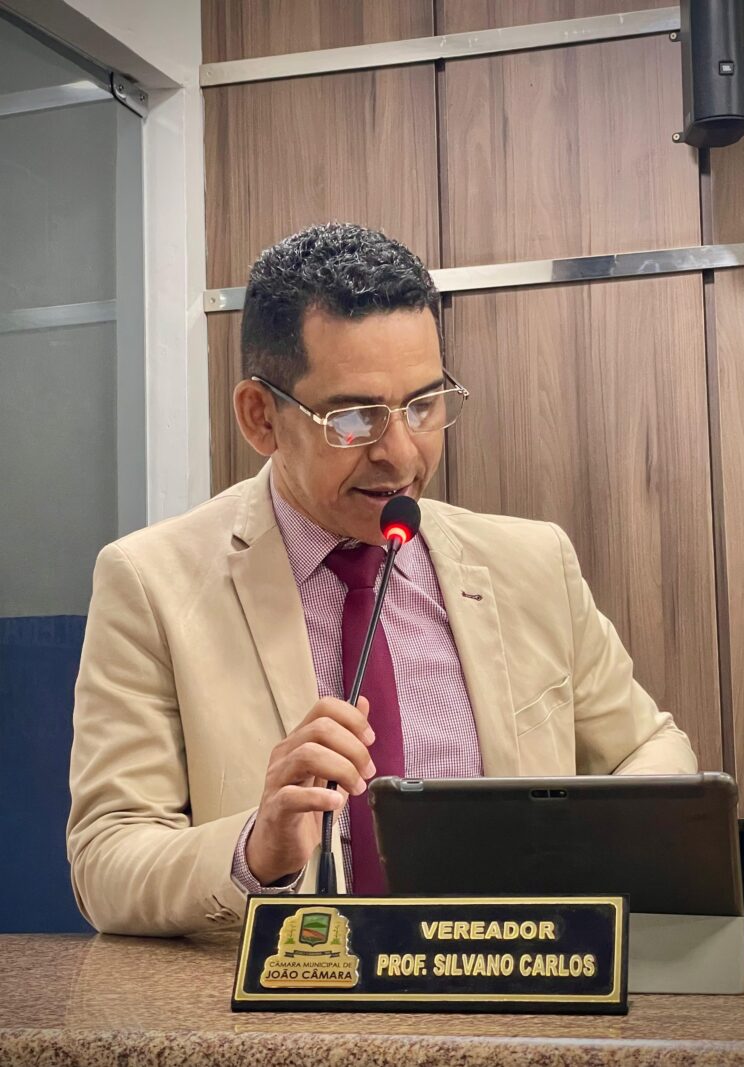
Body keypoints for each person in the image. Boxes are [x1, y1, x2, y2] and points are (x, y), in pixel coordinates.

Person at [67, 223, 696, 936]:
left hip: (512, 982)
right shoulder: (151, 584)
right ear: (260, 417)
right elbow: (107, 858)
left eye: (423, 405)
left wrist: (584, 845)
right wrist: (253, 848)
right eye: (354, 417)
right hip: (293, 996)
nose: (400, 454)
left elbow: (652, 749)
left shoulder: (532, 563)